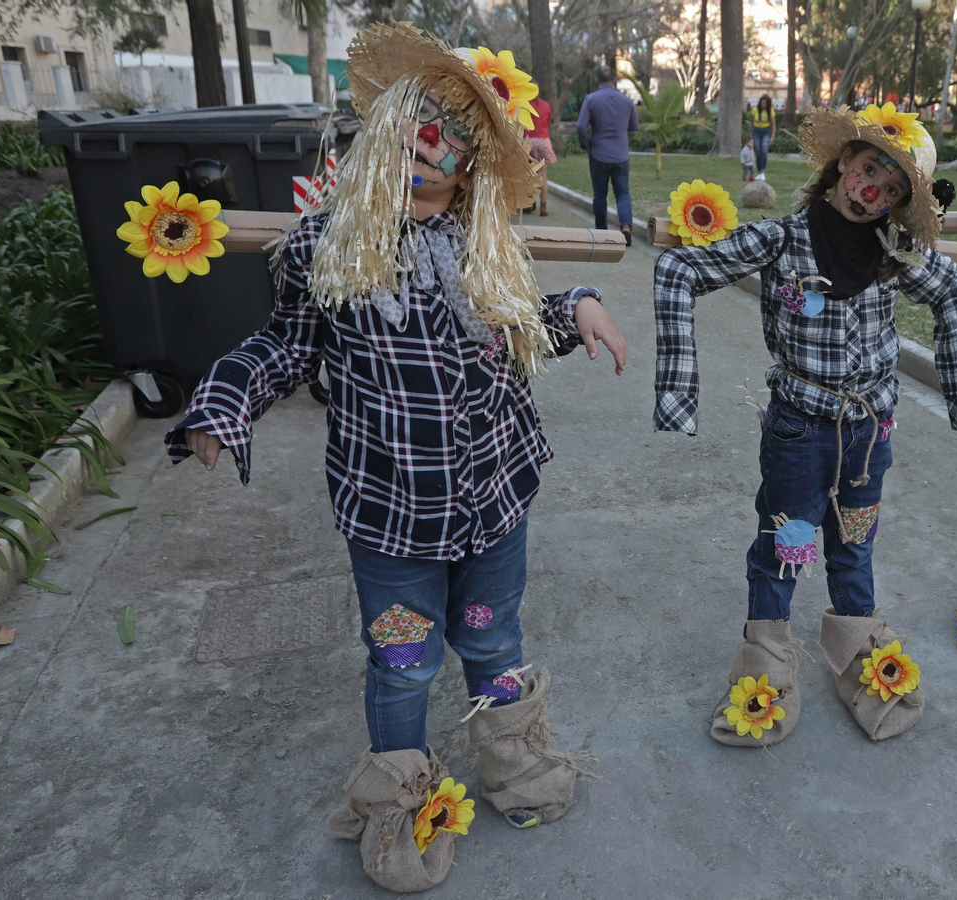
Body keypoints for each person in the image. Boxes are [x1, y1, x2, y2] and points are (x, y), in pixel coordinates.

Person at [164, 23, 627, 892]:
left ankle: (514, 767)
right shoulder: (322, 246)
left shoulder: (486, 242)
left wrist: (582, 308)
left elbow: (522, 328)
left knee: (494, 645)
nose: (432, 156)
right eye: (419, 135)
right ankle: (401, 799)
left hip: (493, 497)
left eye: (453, 147)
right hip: (389, 513)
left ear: (473, 166)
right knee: (402, 660)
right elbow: (284, 348)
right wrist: (223, 401)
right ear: (384, 140)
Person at [654, 103, 957, 745]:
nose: (873, 193)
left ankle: (863, 649)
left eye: (892, 189)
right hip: (800, 433)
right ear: (842, 163)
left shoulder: (895, 254)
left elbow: (951, 292)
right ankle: (766, 672)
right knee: (787, 545)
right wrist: (678, 396)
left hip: (870, 436)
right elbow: (680, 269)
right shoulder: (782, 239)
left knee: (855, 541)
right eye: (869, 172)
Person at [577, 65, 639, 244]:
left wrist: (586, 145)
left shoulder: (590, 99)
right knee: (622, 192)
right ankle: (626, 227)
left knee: (600, 194)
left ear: (596, 81)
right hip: (621, 154)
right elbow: (634, 126)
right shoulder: (626, 101)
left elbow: (581, 125)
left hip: (598, 154)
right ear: (614, 80)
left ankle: (602, 232)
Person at [525, 94, 556, 216]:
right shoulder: (546, 105)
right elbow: (547, 123)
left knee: (528, 173)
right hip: (543, 140)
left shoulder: (526, 104)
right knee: (543, 174)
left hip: (529, 140)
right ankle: (543, 206)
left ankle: (528, 203)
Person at [751, 94, 776, 174]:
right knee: (758, 150)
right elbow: (751, 123)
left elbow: (773, 125)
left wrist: (772, 136)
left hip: (766, 131)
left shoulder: (770, 111)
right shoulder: (755, 110)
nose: (764, 105)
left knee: (764, 151)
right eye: (762, 103)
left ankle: (762, 170)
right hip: (756, 131)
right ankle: (759, 170)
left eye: (765, 103)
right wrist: (751, 135)